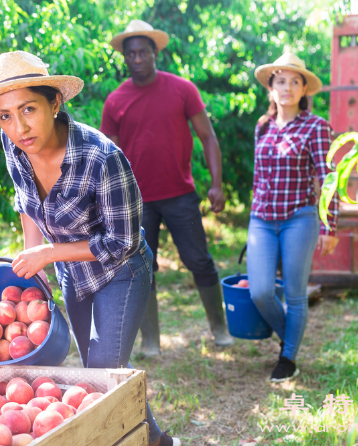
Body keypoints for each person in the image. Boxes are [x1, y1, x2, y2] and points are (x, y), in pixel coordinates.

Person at [0, 51, 180, 446]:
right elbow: (24, 197)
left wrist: (49, 253)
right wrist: (33, 253)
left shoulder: (102, 158)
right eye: (5, 115)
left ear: (55, 102)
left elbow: (122, 241)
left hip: (121, 271)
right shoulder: (15, 142)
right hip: (72, 270)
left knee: (101, 368)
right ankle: (160, 441)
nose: (18, 126)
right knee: (103, 367)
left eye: (29, 109)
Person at [101, 20, 232, 357]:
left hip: (180, 195)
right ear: (125, 58)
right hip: (136, 202)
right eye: (131, 53)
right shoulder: (115, 101)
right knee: (143, 268)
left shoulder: (182, 89)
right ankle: (151, 341)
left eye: (144, 51)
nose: (138, 58)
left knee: (198, 260)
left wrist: (217, 184)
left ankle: (219, 329)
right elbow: (109, 159)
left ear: (155, 53)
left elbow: (208, 137)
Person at [249, 53, 339, 382]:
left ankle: (288, 357)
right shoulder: (262, 126)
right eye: (281, 81)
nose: (287, 87)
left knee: (295, 292)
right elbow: (258, 176)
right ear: (271, 88)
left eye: (294, 82)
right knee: (259, 290)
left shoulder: (316, 127)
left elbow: (328, 176)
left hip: (299, 217)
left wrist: (330, 224)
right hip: (261, 218)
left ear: (303, 90)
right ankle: (291, 335)